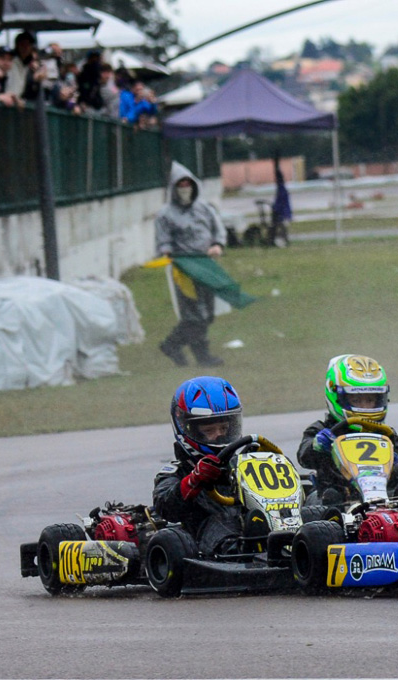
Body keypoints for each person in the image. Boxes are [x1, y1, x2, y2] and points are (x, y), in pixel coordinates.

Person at [297, 354, 398, 505]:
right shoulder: (322, 430)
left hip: (382, 499)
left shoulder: (387, 436)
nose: (364, 406)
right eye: (356, 400)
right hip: (334, 499)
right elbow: (304, 457)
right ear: (336, 396)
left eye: (370, 400)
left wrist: (396, 467)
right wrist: (317, 446)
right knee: (326, 497)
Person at [153, 376, 245, 554]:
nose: (219, 436)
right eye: (209, 431)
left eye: (224, 428)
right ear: (186, 428)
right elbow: (166, 506)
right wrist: (194, 481)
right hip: (207, 540)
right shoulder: (176, 472)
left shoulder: (243, 463)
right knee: (224, 524)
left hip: (251, 526)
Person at [155, 165, 227, 367]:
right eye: (181, 184)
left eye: (188, 184)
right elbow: (164, 241)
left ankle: (172, 344)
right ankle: (202, 356)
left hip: (206, 266)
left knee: (208, 314)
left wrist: (217, 245)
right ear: (174, 187)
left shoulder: (205, 209)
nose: (185, 188)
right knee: (194, 315)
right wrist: (169, 253)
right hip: (184, 269)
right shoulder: (165, 214)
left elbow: (217, 231)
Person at [4, 32, 46, 103]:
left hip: (19, 103)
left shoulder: (30, 66)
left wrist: (35, 80)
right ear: (17, 46)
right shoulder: (11, 61)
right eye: (22, 45)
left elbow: (31, 91)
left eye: (28, 45)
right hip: (7, 101)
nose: (25, 48)